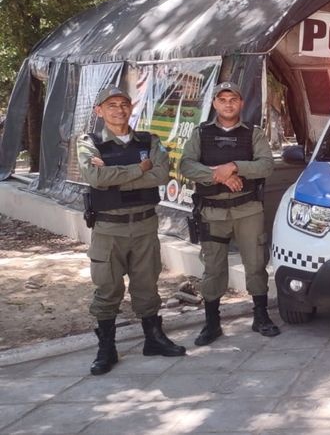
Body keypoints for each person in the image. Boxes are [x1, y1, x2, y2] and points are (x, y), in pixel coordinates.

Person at [77, 86, 186, 375]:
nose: (118, 109)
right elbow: (95, 177)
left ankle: (154, 338)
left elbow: (161, 174)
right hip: (109, 228)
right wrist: (140, 169)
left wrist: (115, 172)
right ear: (98, 111)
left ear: (130, 108)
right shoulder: (90, 142)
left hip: (144, 225)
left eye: (124, 103)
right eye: (111, 105)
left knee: (147, 286)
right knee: (108, 288)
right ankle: (107, 348)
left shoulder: (149, 140)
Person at [179, 81, 279, 345]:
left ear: (241, 103)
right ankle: (212, 322)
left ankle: (260, 316)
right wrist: (219, 176)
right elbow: (186, 165)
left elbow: (266, 166)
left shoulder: (253, 134)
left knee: (256, 264)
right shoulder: (201, 133)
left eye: (232, 99)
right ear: (214, 104)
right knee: (213, 268)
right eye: (222, 99)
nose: (227, 104)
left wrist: (234, 166)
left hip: (247, 210)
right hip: (212, 212)